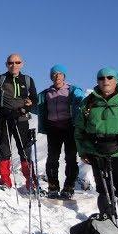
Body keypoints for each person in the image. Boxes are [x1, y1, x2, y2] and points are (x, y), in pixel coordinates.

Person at [74, 67, 118, 234]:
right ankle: (107, 226)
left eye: (110, 77)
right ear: (97, 81)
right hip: (97, 152)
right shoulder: (89, 102)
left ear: (116, 80)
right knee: (103, 191)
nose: (105, 80)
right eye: (101, 78)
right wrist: (83, 151)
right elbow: (79, 130)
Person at [0, 54, 38, 190]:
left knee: (24, 151)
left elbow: (35, 100)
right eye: (11, 62)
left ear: (22, 64)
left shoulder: (28, 80)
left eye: (17, 62)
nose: (14, 65)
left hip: (21, 119)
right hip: (3, 119)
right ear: (6, 64)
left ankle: (31, 182)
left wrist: (26, 108)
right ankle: (5, 180)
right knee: (4, 150)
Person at [35, 64, 84, 199]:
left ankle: (69, 187)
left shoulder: (72, 90)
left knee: (70, 158)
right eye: (54, 74)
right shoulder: (46, 93)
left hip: (69, 127)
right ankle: (53, 187)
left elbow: (80, 101)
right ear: (51, 77)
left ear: (64, 76)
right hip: (53, 129)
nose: (57, 76)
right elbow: (37, 108)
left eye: (60, 74)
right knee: (52, 158)